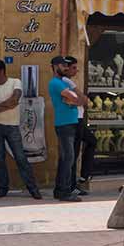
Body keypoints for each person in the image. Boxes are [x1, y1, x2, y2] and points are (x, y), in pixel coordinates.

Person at [0, 59, 40, 199]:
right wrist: (7, 105)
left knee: (20, 157)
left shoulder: (15, 82)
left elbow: (15, 100)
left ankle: (33, 188)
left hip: (12, 126)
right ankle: (3, 188)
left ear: (2, 70)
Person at [47, 56, 82, 202]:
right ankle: (65, 191)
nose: (66, 68)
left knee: (65, 158)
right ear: (55, 66)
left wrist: (73, 100)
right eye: (63, 65)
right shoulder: (56, 83)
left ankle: (59, 190)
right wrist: (74, 100)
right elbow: (75, 98)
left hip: (68, 123)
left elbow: (75, 99)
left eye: (66, 65)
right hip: (64, 124)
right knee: (68, 158)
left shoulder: (61, 82)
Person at [63, 56, 95, 195]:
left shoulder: (69, 81)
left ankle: (82, 177)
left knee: (91, 142)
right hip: (75, 120)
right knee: (73, 153)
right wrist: (81, 100)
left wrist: (81, 100)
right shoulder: (65, 81)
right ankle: (72, 184)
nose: (76, 70)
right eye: (74, 67)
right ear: (67, 67)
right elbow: (81, 100)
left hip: (79, 119)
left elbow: (83, 100)